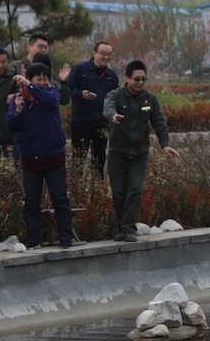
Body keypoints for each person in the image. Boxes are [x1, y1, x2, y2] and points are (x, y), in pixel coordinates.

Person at [103, 59, 180, 243]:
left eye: (143, 79)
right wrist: (112, 116)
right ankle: (122, 227)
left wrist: (165, 144)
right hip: (118, 153)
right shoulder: (115, 96)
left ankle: (129, 228)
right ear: (127, 78)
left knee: (135, 190)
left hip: (139, 154)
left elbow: (159, 122)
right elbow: (107, 108)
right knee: (119, 192)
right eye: (136, 79)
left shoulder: (149, 99)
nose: (140, 83)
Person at [5, 62, 74, 249]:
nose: (43, 82)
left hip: (53, 155)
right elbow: (11, 125)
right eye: (39, 78)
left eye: (45, 78)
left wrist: (30, 84)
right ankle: (32, 239)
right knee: (31, 201)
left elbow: (46, 101)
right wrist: (18, 111)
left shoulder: (51, 93)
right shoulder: (18, 99)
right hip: (30, 157)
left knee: (60, 198)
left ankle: (66, 238)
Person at [65, 41, 118, 177]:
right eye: (103, 54)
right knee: (79, 157)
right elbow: (70, 89)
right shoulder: (80, 69)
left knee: (99, 158)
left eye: (109, 54)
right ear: (94, 53)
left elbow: (114, 98)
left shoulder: (112, 76)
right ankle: (76, 188)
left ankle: (98, 191)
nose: (106, 57)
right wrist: (81, 94)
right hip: (82, 121)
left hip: (102, 122)